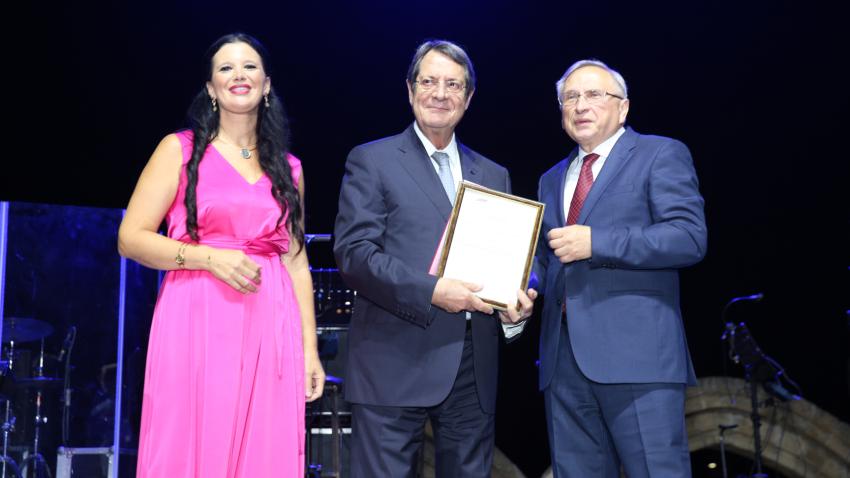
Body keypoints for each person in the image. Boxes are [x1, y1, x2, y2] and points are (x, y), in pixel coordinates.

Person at [117, 33, 324, 478]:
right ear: (211, 88)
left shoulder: (289, 168)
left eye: (249, 66)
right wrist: (209, 258)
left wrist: (310, 350)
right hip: (196, 316)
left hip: (271, 323)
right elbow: (130, 238)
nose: (238, 75)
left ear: (266, 85)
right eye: (226, 68)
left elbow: (295, 262)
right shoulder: (178, 149)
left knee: (263, 449)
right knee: (189, 437)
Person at [333, 39, 535, 478]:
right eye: (429, 82)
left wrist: (515, 303)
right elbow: (355, 254)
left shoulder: (493, 173)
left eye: (453, 85)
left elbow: (511, 258)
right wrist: (433, 291)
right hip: (392, 360)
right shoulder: (372, 160)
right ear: (410, 90)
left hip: (472, 367)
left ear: (469, 97)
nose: (440, 94)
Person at [536, 59, 707, 477]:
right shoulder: (550, 179)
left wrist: (597, 242)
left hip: (640, 361)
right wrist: (523, 290)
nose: (581, 105)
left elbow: (688, 237)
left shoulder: (660, 153)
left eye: (594, 94)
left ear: (623, 107)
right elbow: (545, 257)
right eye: (570, 97)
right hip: (563, 365)